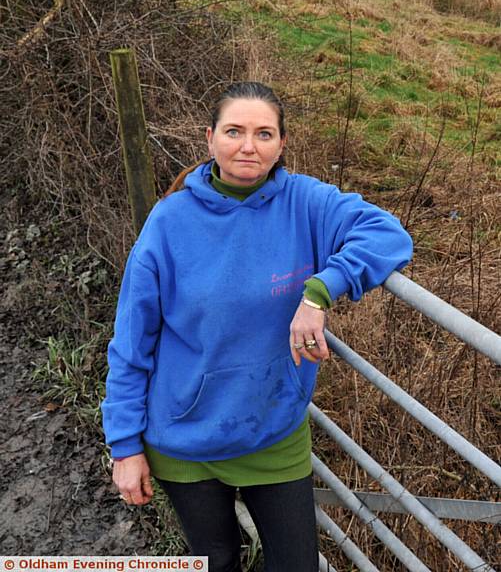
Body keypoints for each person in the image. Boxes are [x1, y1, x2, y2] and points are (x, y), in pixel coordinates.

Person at [101, 81, 413, 572]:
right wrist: (124, 446)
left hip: (273, 426)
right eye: (235, 131)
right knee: (217, 560)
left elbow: (387, 234)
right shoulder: (169, 222)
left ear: (281, 144)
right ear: (210, 139)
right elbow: (131, 342)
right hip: (186, 436)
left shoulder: (305, 202)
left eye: (264, 133)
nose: (249, 145)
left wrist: (320, 290)